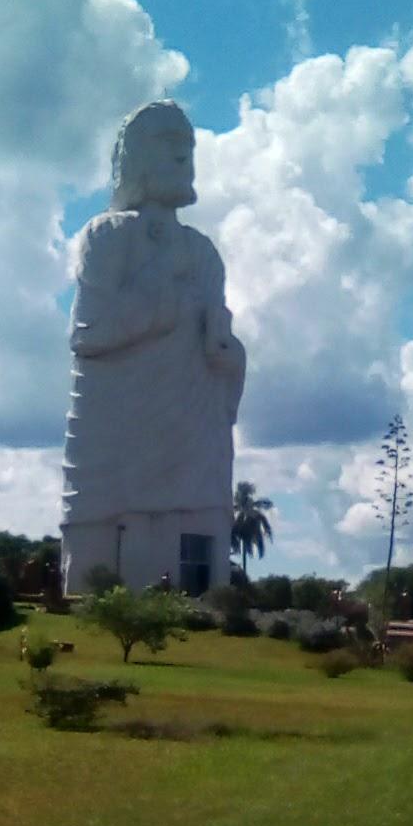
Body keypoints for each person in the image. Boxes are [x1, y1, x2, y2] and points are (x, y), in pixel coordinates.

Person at [61, 101, 245, 594]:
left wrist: (229, 356)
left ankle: (202, 599)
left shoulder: (204, 251)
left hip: (195, 436)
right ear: (139, 159)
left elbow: (218, 346)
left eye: (190, 150)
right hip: (119, 437)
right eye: (172, 150)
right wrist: (166, 294)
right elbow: (89, 334)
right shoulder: (107, 235)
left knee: (196, 532)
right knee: (105, 554)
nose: (186, 161)